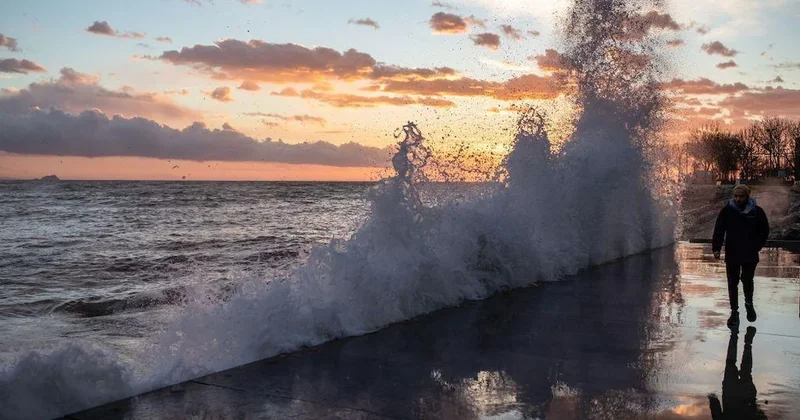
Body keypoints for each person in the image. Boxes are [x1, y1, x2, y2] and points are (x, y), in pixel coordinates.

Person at [712, 184, 769, 327]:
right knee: (732, 282)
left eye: (741, 196)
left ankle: (749, 304)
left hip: (750, 252)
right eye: (736, 196)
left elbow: (764, 230)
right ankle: (734, 312)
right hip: (732, 252)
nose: (738, 199)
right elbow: (719, 230)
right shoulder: (727, 211)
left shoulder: (756, 212)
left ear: (747, 196)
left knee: (747, 279)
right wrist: (716, 248)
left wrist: (757, 245)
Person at [708, 327, 767, 419]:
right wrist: (712, 399)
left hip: (746, 398)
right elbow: (717, 414)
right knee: (731, 363)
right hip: (730, 394)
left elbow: (761, 417)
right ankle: (734, 334)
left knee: (746, 371)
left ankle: (748, 343)